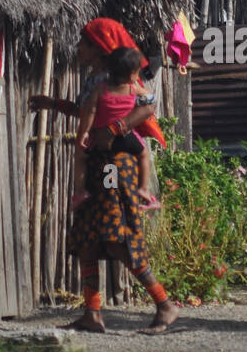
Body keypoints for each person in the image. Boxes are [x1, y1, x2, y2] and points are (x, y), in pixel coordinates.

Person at [67, 45, 177, 336]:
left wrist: (106, 131)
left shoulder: (109, 90)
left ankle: (163, 302)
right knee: (87, 239)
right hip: (100, 168)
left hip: (111, 171)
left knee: (116, 237)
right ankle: (92, 312)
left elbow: (145, 109)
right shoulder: (118, 89)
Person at [73, 48, 161, 209]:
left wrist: (85, 132)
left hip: (101, 142)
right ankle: (143, 190)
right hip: (125, 139)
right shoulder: (132, 89)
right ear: (133, 74)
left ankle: (80, 191)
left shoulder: (99, 89)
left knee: (80, 157)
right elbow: (150, 98)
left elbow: (91, 111)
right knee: (143, 155)